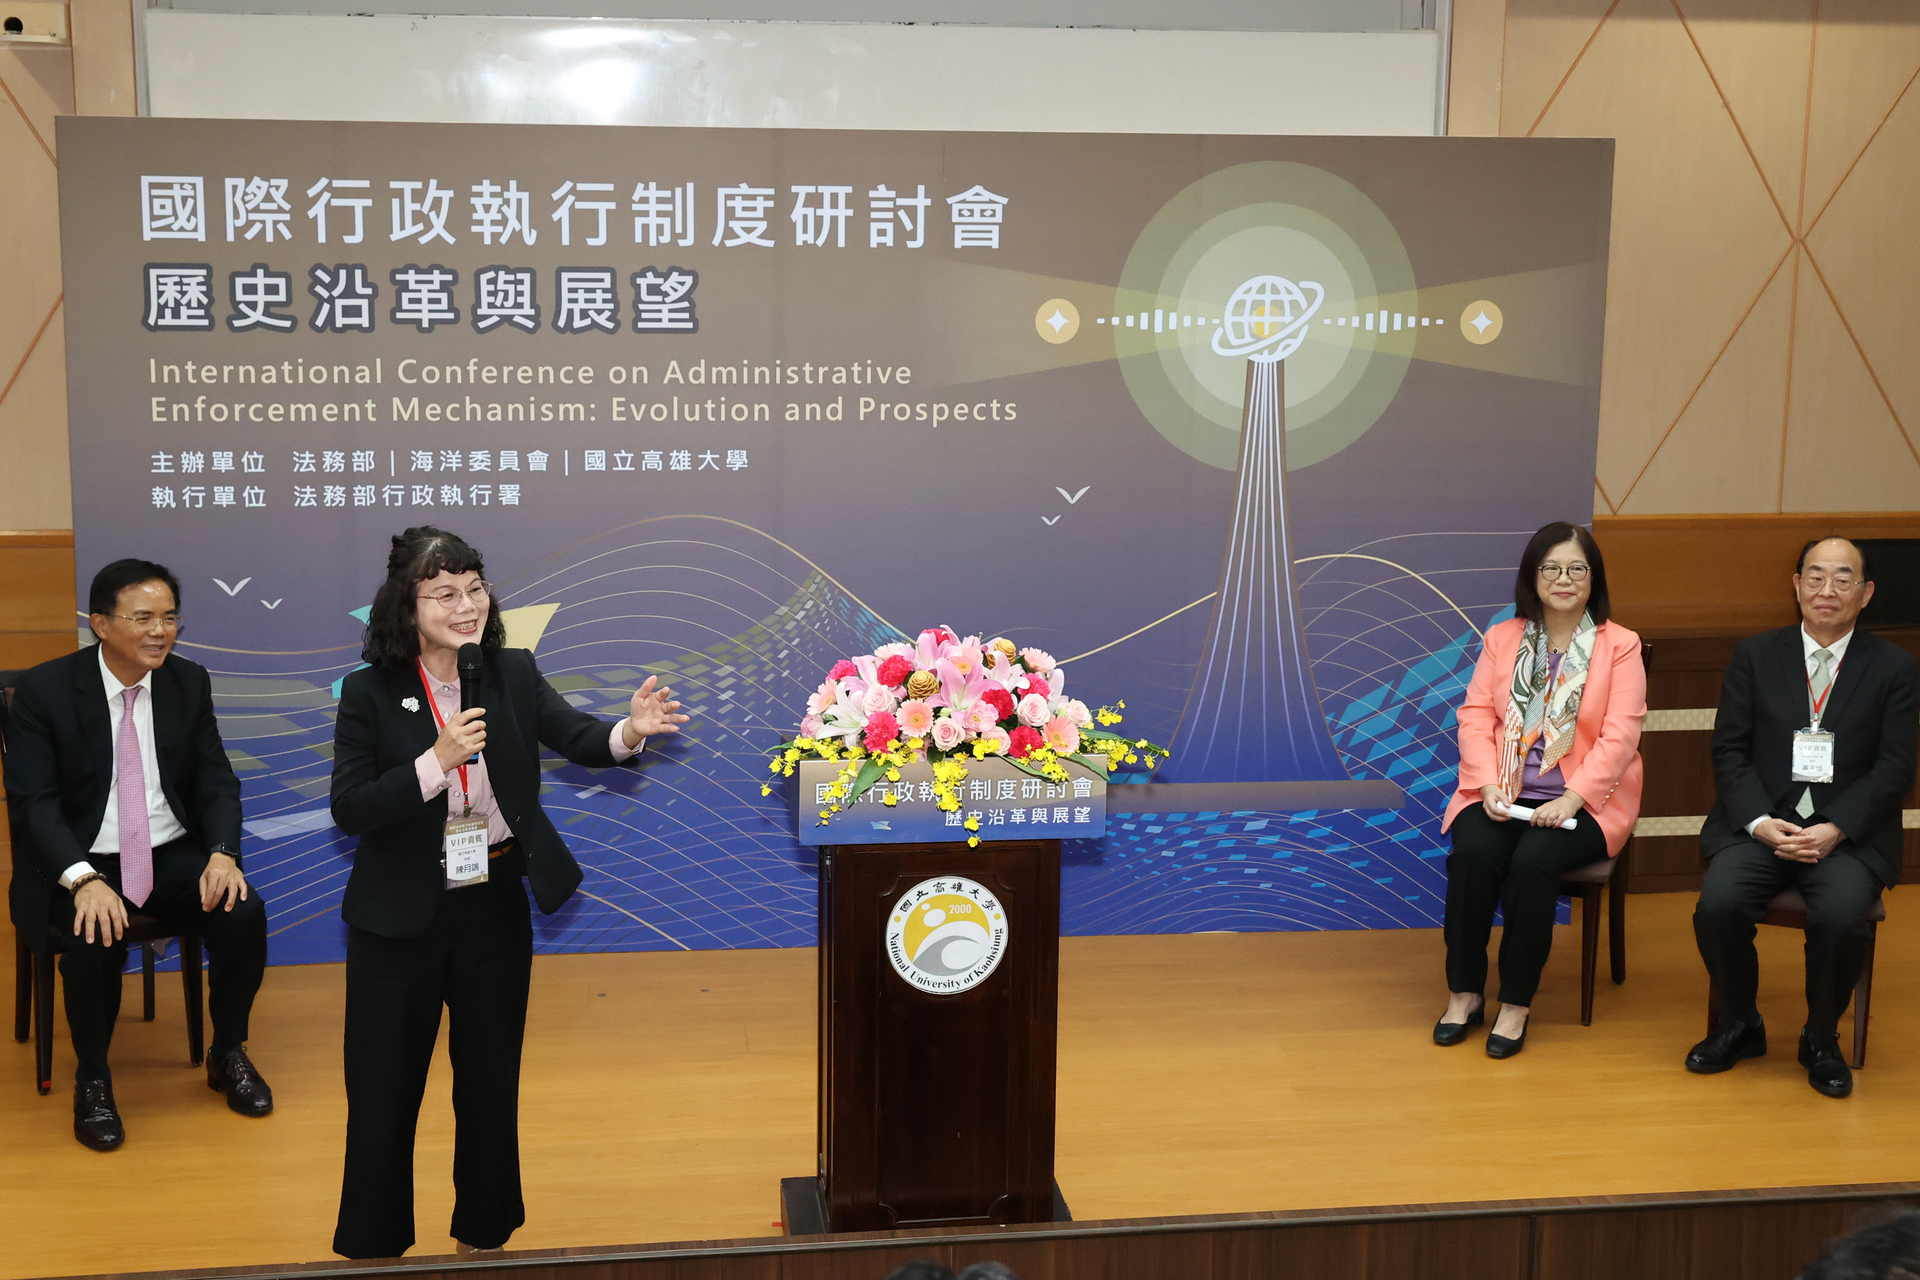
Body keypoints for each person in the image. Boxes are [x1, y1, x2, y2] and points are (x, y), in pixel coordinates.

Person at [330, 527, 688, 1259]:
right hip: (397, 918)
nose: (466, 606)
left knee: (489, 1087)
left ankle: (485, 1235)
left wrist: (630, 730)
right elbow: (352, 807)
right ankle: (372, 1246)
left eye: (475, 588)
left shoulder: (513, 672)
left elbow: (578, 736)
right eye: (444, 593)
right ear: (407, 605)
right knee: (381, 1101)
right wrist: (437, 759)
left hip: (491, 899)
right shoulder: (369, 692)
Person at [4, 559, 271, 1150]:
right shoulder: (45, 691)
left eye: (170, 618)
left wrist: (223, 853)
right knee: (92, 931)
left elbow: (216, 781)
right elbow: (34, 804)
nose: (160, 631)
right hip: (76, 859)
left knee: (241, 912)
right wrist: (80, 878)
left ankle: (227, 1051)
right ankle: (94, 1079)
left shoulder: (188, 682)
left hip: (168, 851)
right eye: (143, 617)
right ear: (100, 623)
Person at [1687, 537, 1918, 1098]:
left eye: (1843, 579)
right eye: (1815, 577)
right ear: (1796, 586)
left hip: (1847, 835)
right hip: (1761, 827)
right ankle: (1741, 1022)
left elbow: (1895, 767)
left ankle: (1820, 1037)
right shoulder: (1755, 655)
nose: (1827, 591)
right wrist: (1761, 822)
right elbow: (1730, 751)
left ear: (1865, 595)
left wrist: (1836, 827)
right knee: (1717, 905)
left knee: (1842, 918)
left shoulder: (1895, 668)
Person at [1435, 522, 1645, 1058]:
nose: (1564, 578)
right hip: (1501, 789)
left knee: (1533, 864)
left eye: (1577, 568)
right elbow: (1476, 714)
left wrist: (1572, 797)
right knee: (1474, 854)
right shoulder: (1503, 638)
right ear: (1533, 576)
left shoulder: (1619, 645)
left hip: (1584, 801)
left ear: (1593, 578)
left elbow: (1621, 735)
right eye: (1551, 567)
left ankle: (1515, 1002)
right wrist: (1485, 784)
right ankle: (1463, 992)